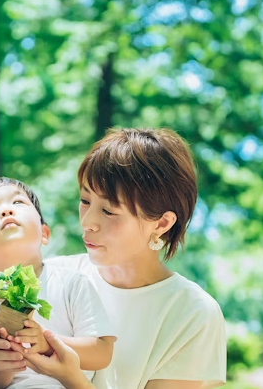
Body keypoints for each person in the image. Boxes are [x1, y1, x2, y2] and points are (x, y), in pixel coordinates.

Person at [32, 128, 227, 389]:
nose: (88, 222)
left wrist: (72, 378)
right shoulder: (51, 277)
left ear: (161, 223)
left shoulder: (192, 313)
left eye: (109, 211)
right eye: (85, 200)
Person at [0, 176, 117, 389]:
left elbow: (102, 352)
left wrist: (46, 344)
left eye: (18, 202)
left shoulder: (70, 283)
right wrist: (6, 360)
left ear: (44, 232)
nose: (6, 210)